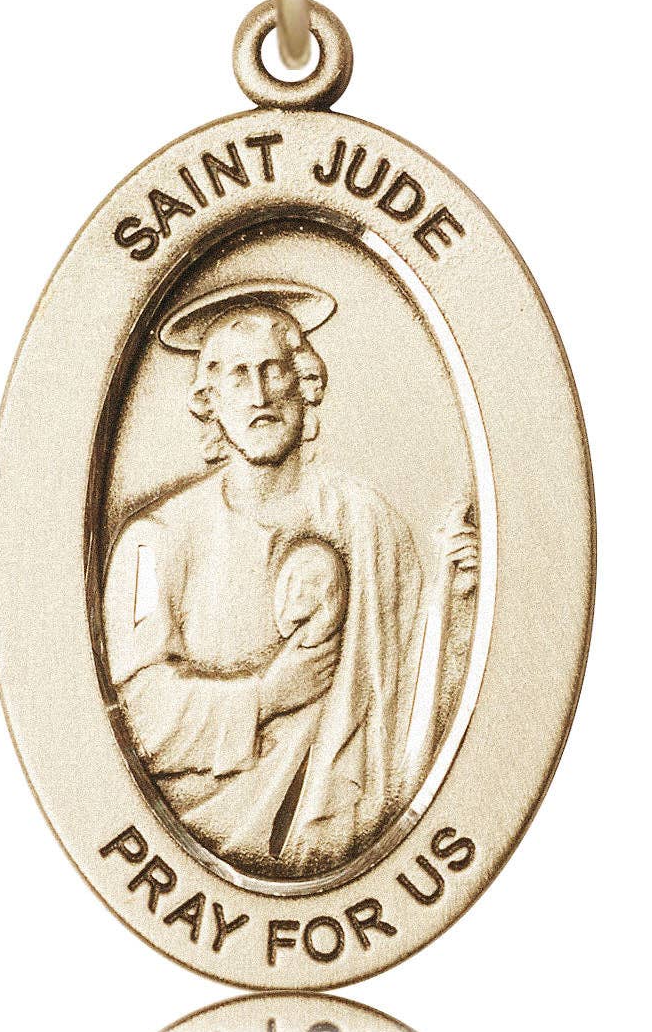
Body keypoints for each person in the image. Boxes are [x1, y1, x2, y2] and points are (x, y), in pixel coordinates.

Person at [102, 279, 472, 877]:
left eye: (274, 371)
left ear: (305, 385)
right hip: (203, 846)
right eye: (238, 377)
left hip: (351, 833)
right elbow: (137, 717)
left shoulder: (366, 522)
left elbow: (410, 684)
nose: (259, 395)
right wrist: (265, 697)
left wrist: (454, 600)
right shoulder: (155, 541)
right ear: (210, 401)